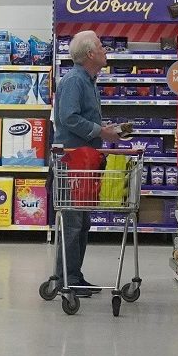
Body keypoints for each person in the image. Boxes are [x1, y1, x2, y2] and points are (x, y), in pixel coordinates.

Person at [51, 30, 121, 296]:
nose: (105, 50)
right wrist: (100, 131)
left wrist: (103, 128)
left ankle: (74, 276)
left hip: (85, 159)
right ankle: (65, 279)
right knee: (72, 222)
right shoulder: (74, 80)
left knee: (82, 222)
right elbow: (68, 118)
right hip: (72, 160)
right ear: (90, 53)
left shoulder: (89, 81)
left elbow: (79, 118)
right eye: (101, 47)